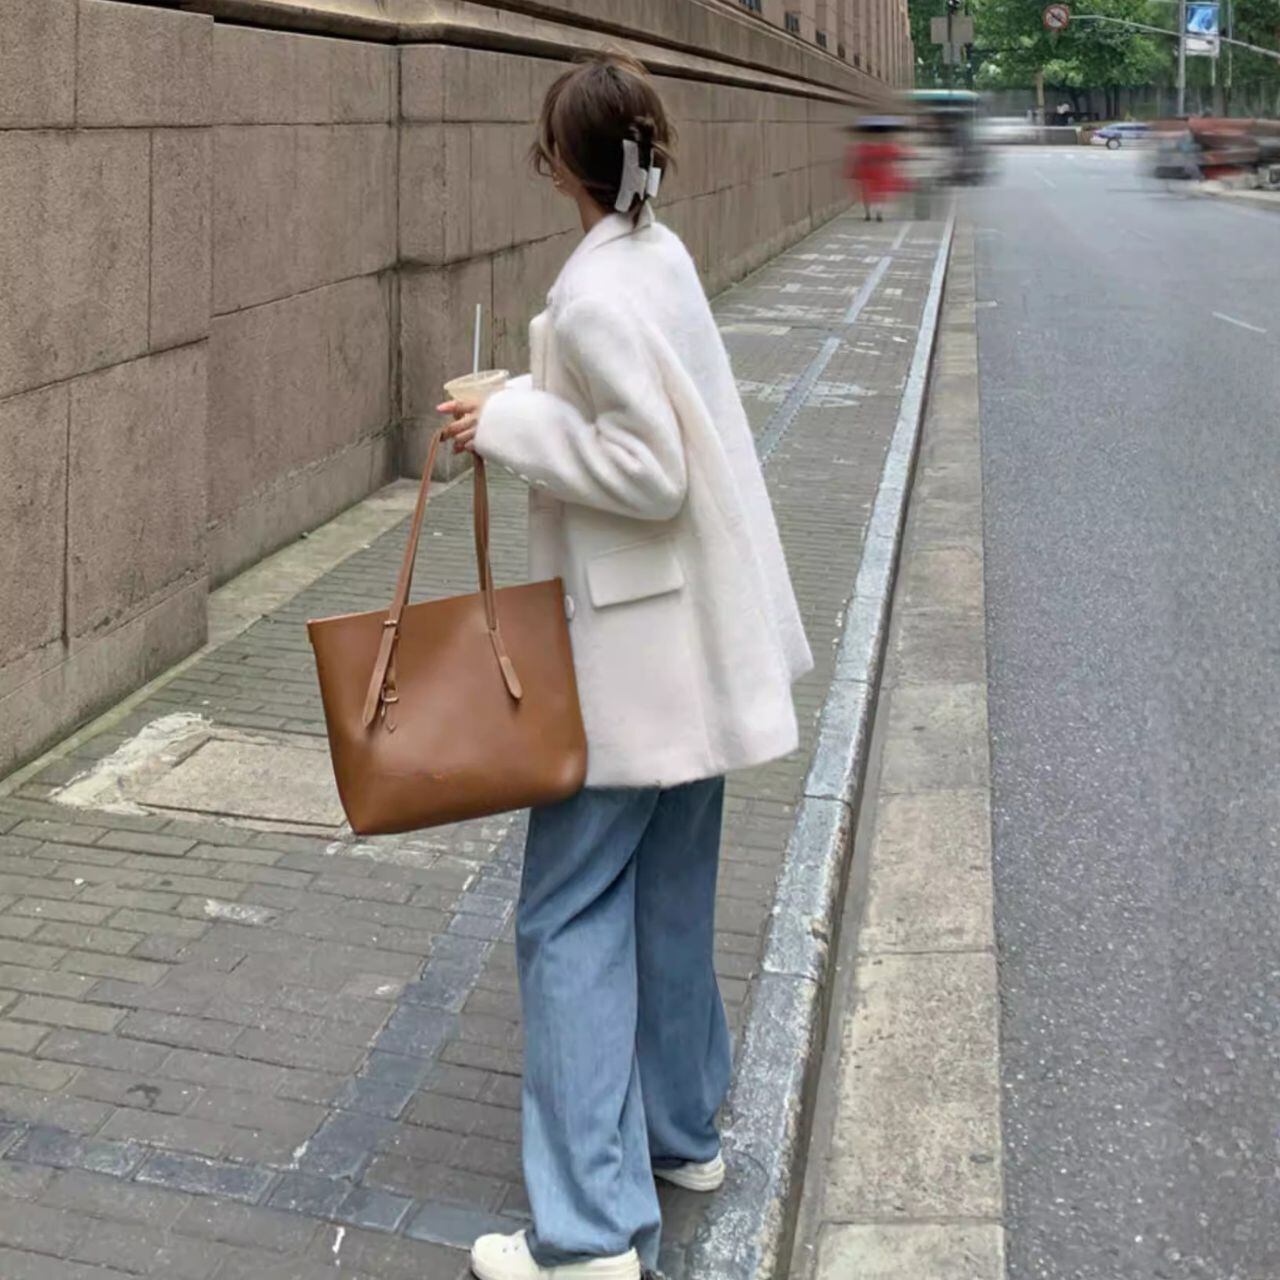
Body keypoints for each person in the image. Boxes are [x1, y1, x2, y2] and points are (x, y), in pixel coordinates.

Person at [438, 53, 811, 1280]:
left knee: (563, 916)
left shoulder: (597, 290)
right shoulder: (659, 256)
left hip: (627, 661)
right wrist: (526, 401)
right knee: (666, 897)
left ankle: (588, 1234)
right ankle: (679, 1129)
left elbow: (646, 470)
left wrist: (506, 421)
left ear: (559, 163)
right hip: (690, 648)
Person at [845, 125, 908, 221]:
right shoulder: (881, 146)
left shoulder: (864, 147)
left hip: (870, 173)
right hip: (876, 173)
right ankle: (876, 214)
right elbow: (894, 156)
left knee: (871, 194)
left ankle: (870, 214)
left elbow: (858, 160)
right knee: (876, 195)